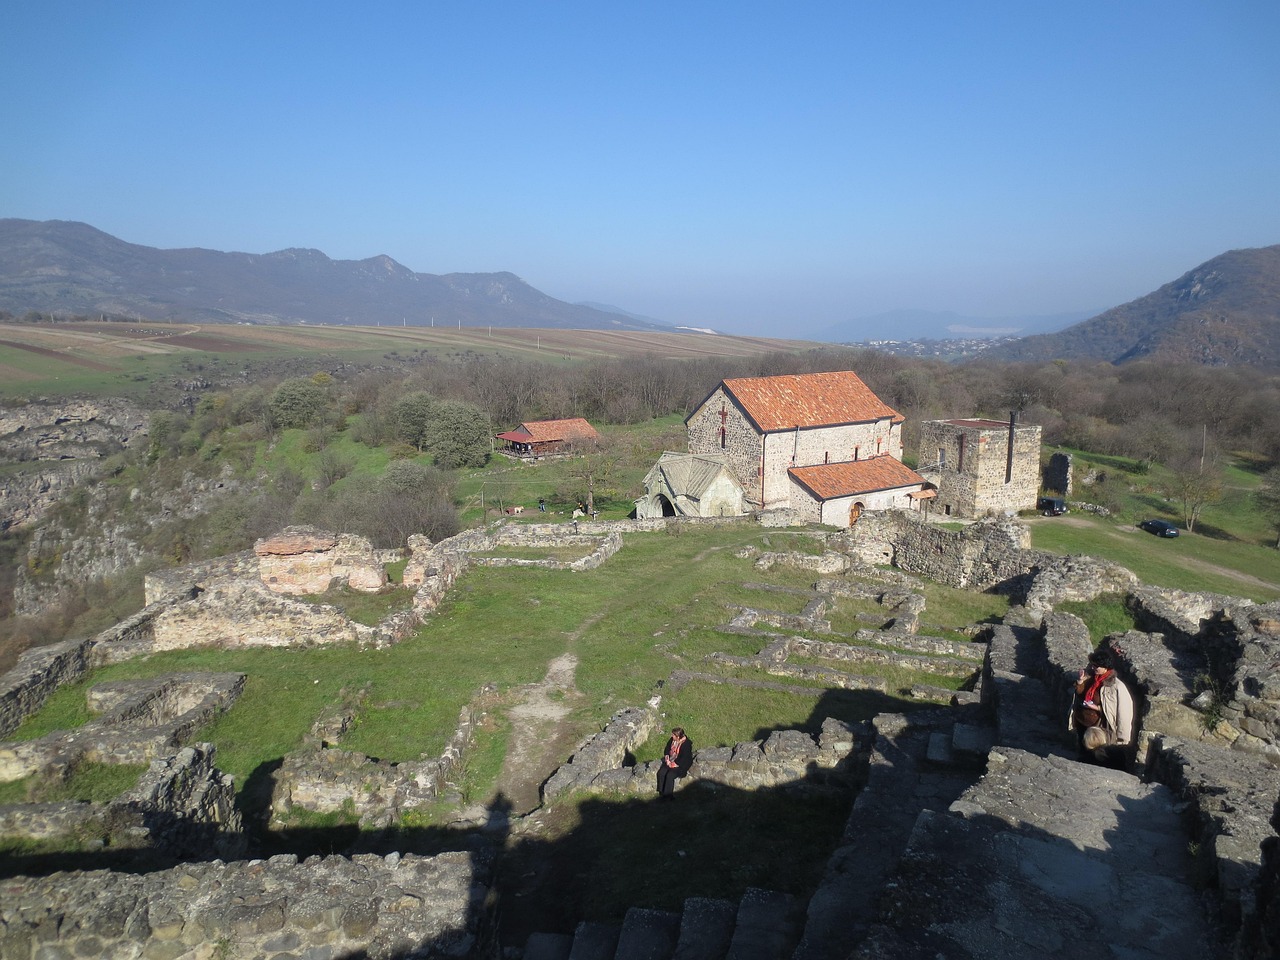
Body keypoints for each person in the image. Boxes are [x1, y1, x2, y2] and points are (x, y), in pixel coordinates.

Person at [1069, 645, 1135, 756]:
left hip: (1099, 726)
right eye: (1092, 665)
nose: (1093, 668)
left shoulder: (1117, 686)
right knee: (1082, 751)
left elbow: (1124, 712)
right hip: (1082, 721)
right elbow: (1080, 694)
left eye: (1096, 666)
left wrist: (1123, 737)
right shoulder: (1091, 677)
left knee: (1096, 753)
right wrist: (1080, 682)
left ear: (1105, 667)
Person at [656, 726, 693, 799]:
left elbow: (684, 758)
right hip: (671, 760)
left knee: (670, 775)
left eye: (673, 735)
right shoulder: (672, 740)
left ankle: (668, 796)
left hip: (681, 764)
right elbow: (667, 748)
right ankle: (661, 792)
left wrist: (673, 764)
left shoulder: (686, 744)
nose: (671, 736)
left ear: (678, 736)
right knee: (661, 772)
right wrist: (667, 759)